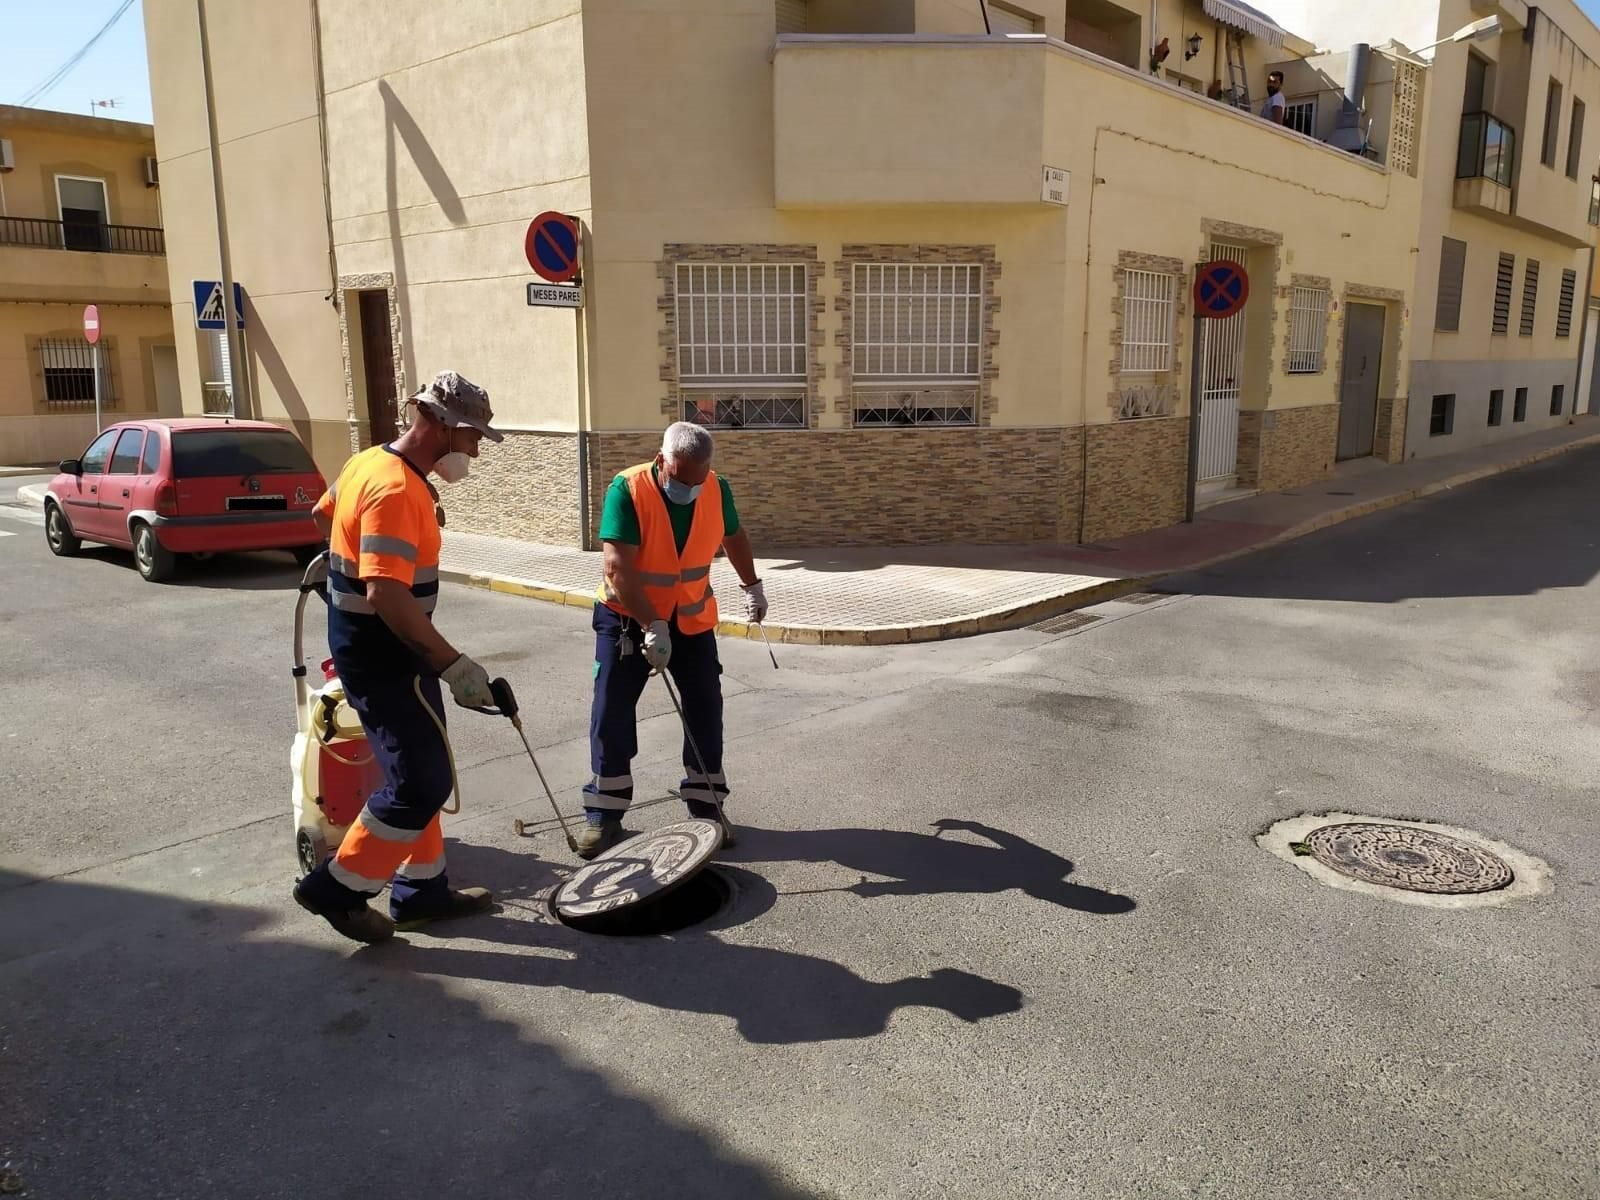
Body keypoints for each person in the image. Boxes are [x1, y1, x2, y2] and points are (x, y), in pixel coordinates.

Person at [292, 370, 503, 943]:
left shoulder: (369, 463)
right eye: (474, 436)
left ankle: (422, 891)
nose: (477, 448)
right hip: (388, 653)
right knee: (420, 782)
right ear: (443, 426)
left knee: (419, 763)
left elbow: (324, 516)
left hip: (373, 645)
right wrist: (453, 664)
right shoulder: (396, 489)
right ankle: (337, 888)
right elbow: (386, 593)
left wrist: (345, 557)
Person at [578, 422, 768, 859]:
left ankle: (706, 809)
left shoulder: (716, 489)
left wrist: (752, 586)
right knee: (611, 709)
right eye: (681, 479)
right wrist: (651, 624)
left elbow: (733, 535)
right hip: (627, 619)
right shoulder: (627, 489)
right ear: (661, 460)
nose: (690, 488)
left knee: (705, 707)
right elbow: (617, 569)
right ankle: (604, 814)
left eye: (697, 481)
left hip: (692, 619)